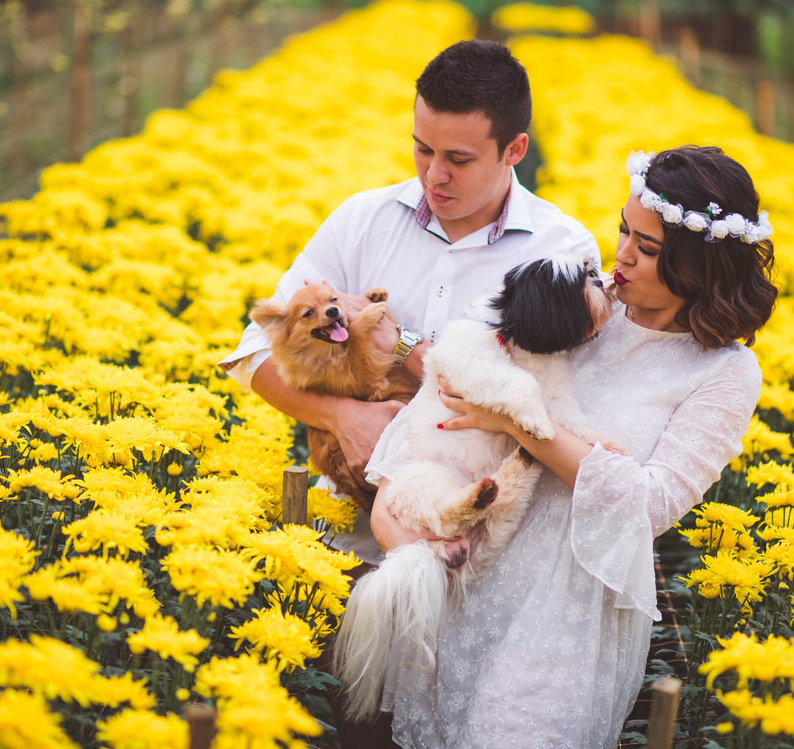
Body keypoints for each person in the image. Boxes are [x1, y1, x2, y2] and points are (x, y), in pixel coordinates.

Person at [218, 39, 599, 746]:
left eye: (458, 159)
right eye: (422, 149)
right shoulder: (363, 221)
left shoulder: (561, 251)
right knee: (352, 721)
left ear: (515, 149)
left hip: (486, 564)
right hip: (351, 551)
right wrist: (341, 415)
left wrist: (410, 354)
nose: (433, 174)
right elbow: (252, 352)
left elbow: (547, 404)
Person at [367, 145, 778, 749]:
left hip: (568, 613)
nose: (622, 257)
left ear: (702, 267)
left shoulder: (723, 372)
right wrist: (397, 509)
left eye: (650, 248)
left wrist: (518, 424)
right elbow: (452, 385)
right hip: (465, 575)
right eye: (623, 230)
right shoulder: (577, 300)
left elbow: (650, 503)